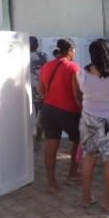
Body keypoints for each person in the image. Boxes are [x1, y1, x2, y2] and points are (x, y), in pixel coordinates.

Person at [74, 38, 109, 213]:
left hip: (89, 119)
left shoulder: (81, 73)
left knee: (89, 158)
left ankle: (85, 198)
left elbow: (80, 92)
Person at [37, 38, 81, 193]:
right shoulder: (73, 67)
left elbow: (40, 90)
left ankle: (52, 184)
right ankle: (72, 174)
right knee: (78, 140)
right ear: (70, 51)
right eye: (74, 50)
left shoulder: (46, 66)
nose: (74, 53)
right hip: (69, 110)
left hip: (48, 110)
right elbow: (76, 94)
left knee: (51, 145)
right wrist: (82, 109)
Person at [30, 36, 48, 152]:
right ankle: (37, 141)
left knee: (29, 117)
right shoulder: (43, 55)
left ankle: (31, 141)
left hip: (26, 91)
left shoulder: (20, 56)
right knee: (40, 116)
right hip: (41, 89)